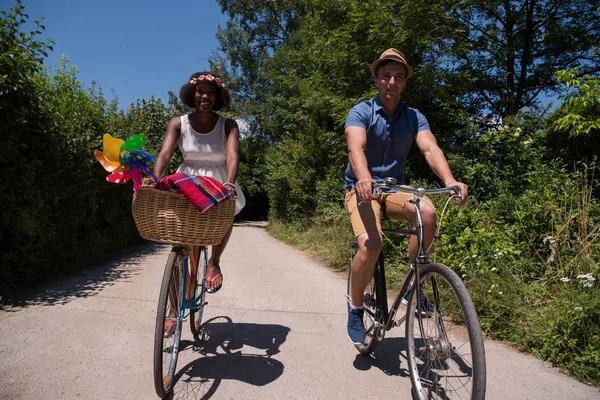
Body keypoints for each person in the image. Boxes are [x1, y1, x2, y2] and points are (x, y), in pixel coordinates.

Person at [344, 49, 468, 345]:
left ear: (404, 83)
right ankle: (355, 308)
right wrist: (363, 177)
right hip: (361, 189)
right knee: (372, 245)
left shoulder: (414, 117)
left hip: (393, 189)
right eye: (386, 75)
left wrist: (450, 181)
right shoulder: (361, 111)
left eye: (398, 77)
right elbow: (355, 148)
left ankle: (414, 284)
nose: (392, 81)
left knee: (427, 212)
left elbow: (430, 149)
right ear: (376, 80)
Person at [152, 71, 246, 295]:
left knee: (226, 216)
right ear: (192, 95)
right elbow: (165, 154)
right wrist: (154, 178)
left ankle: (213, 261)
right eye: (200, 91)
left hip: (217, 181)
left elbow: (232, 156)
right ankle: (173, 312)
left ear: (217, 97)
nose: (205, 96)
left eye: (211, 93)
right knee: (179, 248)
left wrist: (230, 183)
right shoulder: (178, 123)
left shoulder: (228, 125)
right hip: (187, 179)